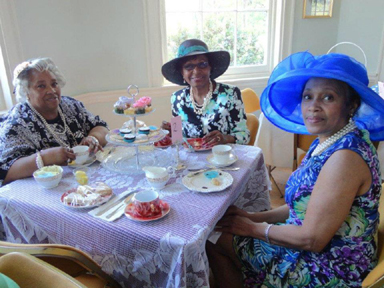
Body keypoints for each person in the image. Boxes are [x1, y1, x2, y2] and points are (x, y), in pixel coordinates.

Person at [206, 51, 384, 287]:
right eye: (307, 96)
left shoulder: (345, 157)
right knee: (225, 234)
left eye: (328, 97)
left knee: (215, 241)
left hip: (330, 266)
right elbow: (303, 205)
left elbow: (312, 239)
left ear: (351, 105)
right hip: (316, 245)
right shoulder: (330, 139)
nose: (313, 107)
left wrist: (252, 228)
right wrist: (253, 217)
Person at [0, 58, 108, 186]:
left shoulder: (70, 105)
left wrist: (93, 138)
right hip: (43, 191)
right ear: (26, 92)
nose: (51, 91)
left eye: (54, 84)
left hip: (84, 178)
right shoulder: (17, 123)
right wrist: (45, 158)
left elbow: (101, 127)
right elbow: (6, 172)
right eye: (41, 86)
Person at [161, 39, 250, 145]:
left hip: (222, 158)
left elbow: (244, 135)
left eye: (202, 64)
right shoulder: (176, 98)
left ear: (210, 68)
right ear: (182, 73)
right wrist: (170, 133)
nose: (196, 71)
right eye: (188, 66)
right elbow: (178, 139)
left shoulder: (230, 94)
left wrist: (225, 138)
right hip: (190, 159)